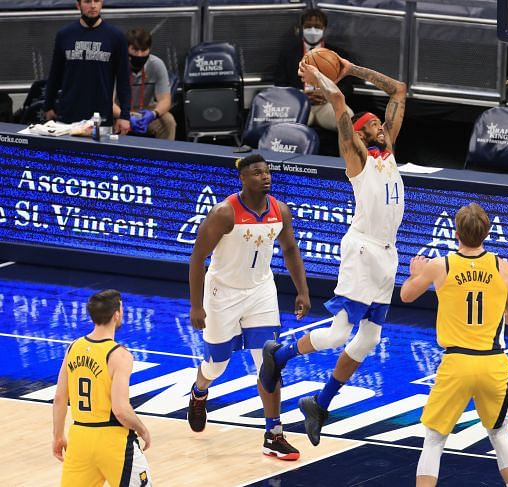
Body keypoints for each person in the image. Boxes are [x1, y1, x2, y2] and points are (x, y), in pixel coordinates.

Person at [260, 56, 407, 446]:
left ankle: (320, 405)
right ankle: (281, 354)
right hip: (362, 250)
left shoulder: (388, 154)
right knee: (340, 332)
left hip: (388, 256)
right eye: (373, 124)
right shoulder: (357, 159)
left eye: (382, 123)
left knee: (369, 340)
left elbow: (399, 91)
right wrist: (322, 74)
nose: (381, 126)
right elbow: (339, 102)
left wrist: (350, 65)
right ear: (359, 135)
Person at [186, 153, 311, 461]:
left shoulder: (280, 210)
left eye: (266, 172)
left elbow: (291, 249)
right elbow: (197, 258)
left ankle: (274, 434)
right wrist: (196, 306)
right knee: (217, 364)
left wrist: (302, 291)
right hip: (222, 293)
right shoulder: (224, 213)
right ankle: (199, 391)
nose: (264, 177)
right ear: (243, 179)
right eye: (257, 173)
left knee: (269, 362)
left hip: (260, 292)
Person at [399, 203, 508, 487]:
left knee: (434, 439)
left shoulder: (441, 265)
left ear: (456, 232)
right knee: (500, 434)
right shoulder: (502, 268)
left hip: (456, 363)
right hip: (493, 363)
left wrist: (414, 273)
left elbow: (406, 296)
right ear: (487, 232)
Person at [52, 289, 153, 486]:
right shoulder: (119, 355)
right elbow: (121, 410)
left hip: (80, 439)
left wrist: (57, 436)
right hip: (113, 441)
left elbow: (59, 399)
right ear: (116, 314)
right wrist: (142, 429)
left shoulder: (73, 347)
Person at [44, 0, 131, 134]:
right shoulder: (64, 35)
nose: (93, 5)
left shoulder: (116, 37)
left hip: (100, 117)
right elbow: (55, 74)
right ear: (78, 5)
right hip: (67, 116)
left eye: (97, 1)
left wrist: (125, 115)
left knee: (97, 155)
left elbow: (123, 80)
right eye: (87, 1)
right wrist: (48, 105)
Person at [274, 8, 355, 131]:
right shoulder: (287, 53)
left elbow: (348, 87)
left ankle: (344, 151)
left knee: (348, 121)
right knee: (285, 125)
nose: (313, 30)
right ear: (302, 28)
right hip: (299, 105)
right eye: (308, 26)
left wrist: (328, 95)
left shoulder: (338, 54)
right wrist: (301, 95)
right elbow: (279, 84)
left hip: (328, 104)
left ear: (324, 29)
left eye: (317, 27)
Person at [112, 29, 176, 140]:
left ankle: (163, 155)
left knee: (168, 121)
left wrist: (154, 114)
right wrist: (125, 115)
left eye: (144, 50)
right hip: (118, 110)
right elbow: (108, 103)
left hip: (145, 110)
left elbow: (165, 100)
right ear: (126, 49)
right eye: (135, 50)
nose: (139, 55)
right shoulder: (114, 65)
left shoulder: (156, 65)